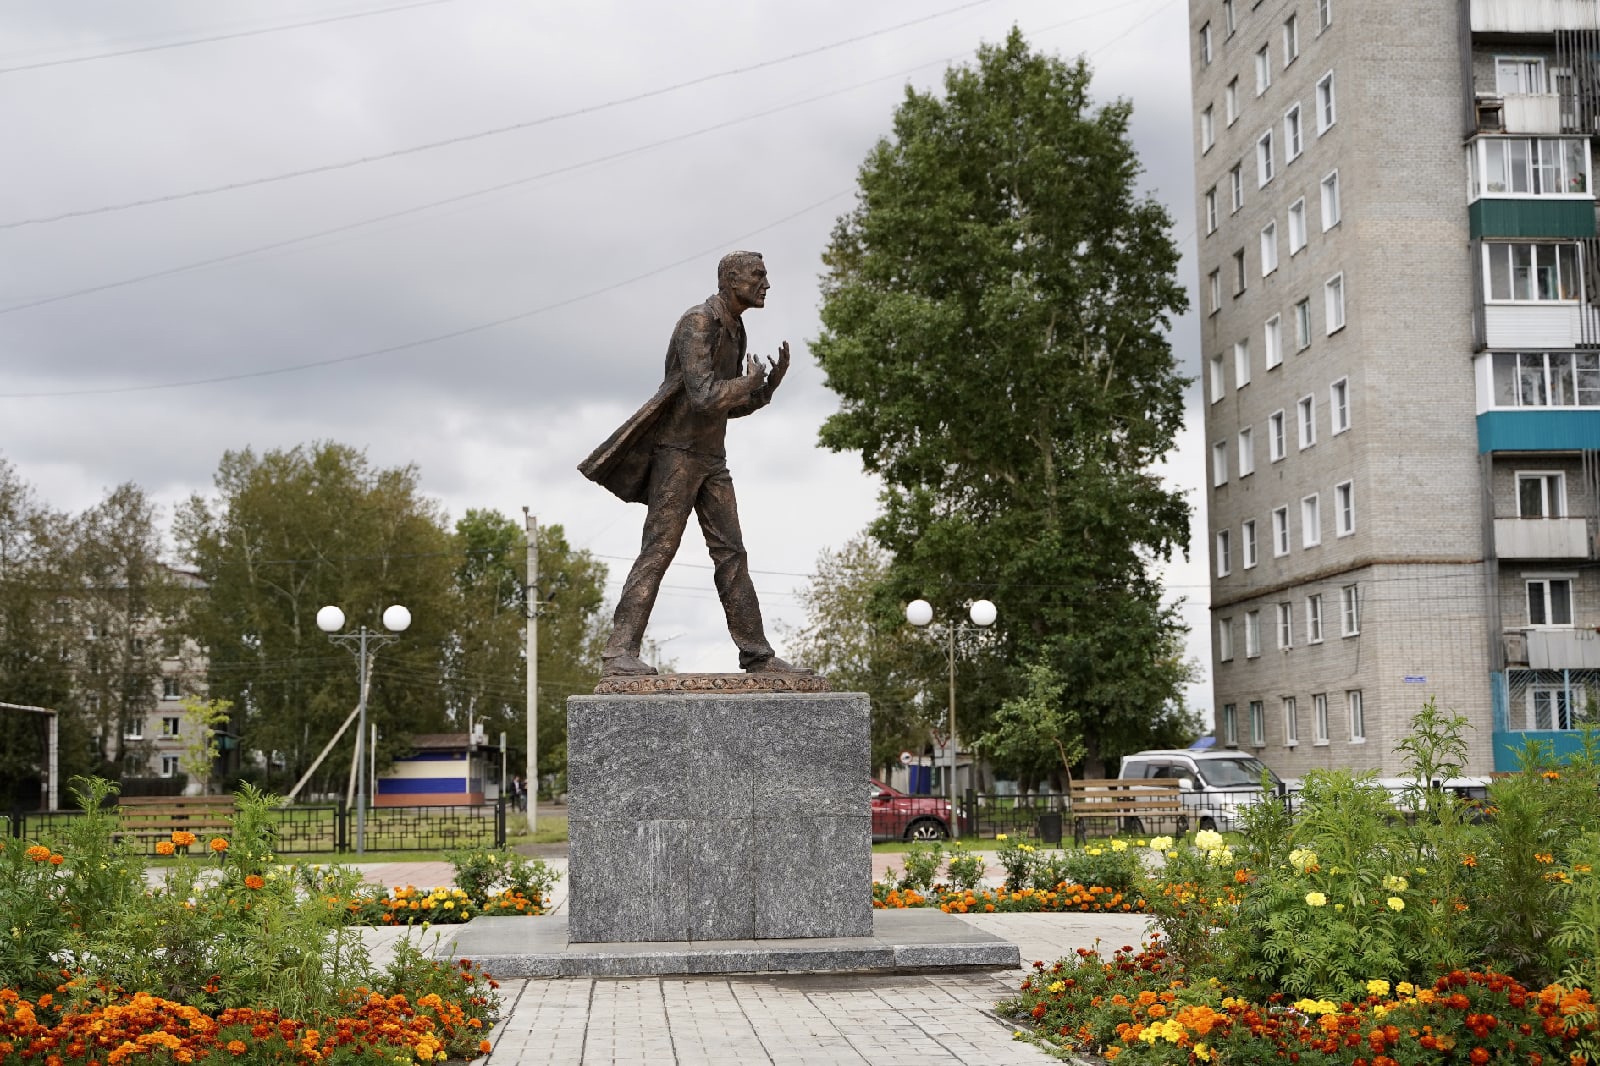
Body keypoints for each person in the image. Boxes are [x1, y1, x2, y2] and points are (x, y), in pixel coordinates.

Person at [579, 251, 810, 677]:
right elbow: (703, 394)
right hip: (678, 455)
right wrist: (746, 383)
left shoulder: (735, 328)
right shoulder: (698, 323)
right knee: (660, 548)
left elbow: (723, 408)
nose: (767, 283)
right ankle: (619, 652)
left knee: (732, 553)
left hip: (711, 458)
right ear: (731, 278)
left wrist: (764, 390)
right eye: (758, 275)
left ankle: (757, 655)